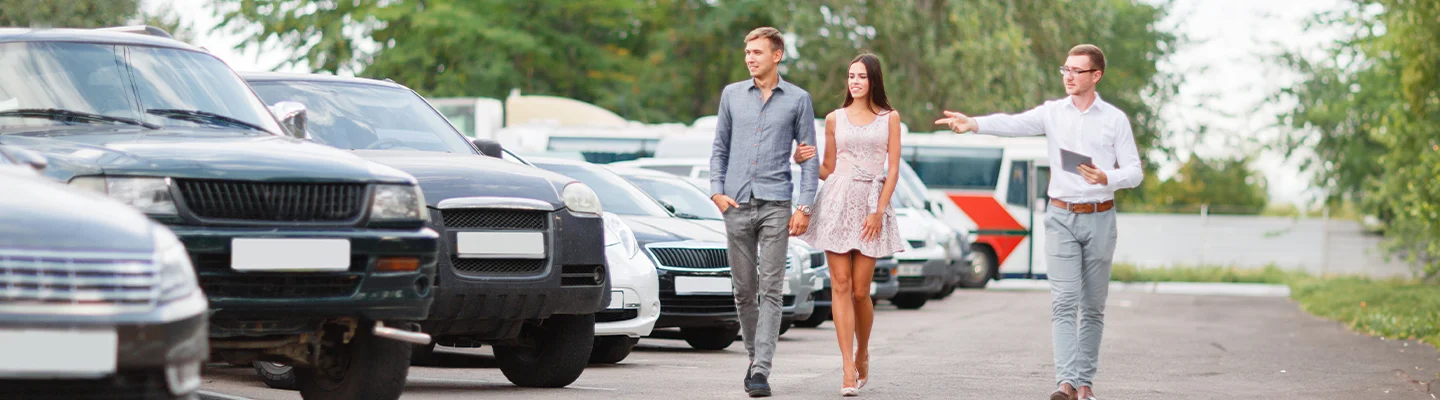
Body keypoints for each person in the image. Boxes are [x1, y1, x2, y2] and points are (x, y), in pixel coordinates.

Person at [934, 44, 1143, 400]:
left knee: (1092, 307)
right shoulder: (1052, 113)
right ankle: (1065, 383)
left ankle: (1085, 385)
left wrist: (1106, 177)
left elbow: (1135, 172)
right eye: (1066, 69)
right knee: (1063, 302)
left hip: (1100, 218)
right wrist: (974, 123)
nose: (1069, 76)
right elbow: (1013, 123)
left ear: (1096, 76)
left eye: (1077, 71)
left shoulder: (1114, 120)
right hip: (1060, 216)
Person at [709, 26, 820, 398]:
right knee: (744, 291)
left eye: (757, 52)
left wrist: (805, 206)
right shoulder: (731, 96)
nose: (750, 58)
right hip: (736, 204)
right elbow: (719, 148)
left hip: (776, 205)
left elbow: (809, 159)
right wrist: (717, 193)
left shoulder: (799, 100)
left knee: (771, 290)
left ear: (777, 55)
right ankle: (755, 357)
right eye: (747, 53)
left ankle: (760, 370)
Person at [792, 53, 905, 397]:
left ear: (873, 80)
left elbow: (894, 169)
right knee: (839, 285)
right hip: (836, 201)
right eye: (850, 76)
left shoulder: (890, 118)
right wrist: (803, 161)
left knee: (860, 291)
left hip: (871, 204)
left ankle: (863, 351)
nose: (854, 81)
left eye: (861, 76)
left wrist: (879, 210)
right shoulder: (833, 118)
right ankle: (845, 367)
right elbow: (827, 167)